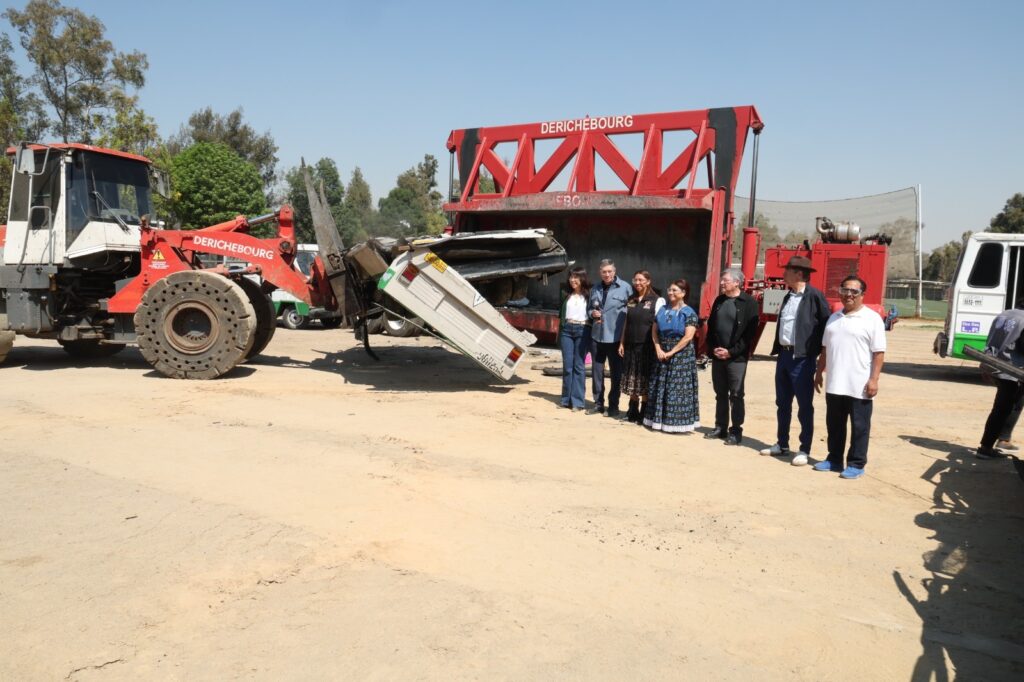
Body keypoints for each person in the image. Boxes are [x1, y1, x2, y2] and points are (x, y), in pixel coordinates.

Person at [812, 275, 887, 479]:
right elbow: (825, 349)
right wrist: (819, 373)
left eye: (854, 292)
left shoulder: (872, 319)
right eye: (845, 290)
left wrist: (874, 380)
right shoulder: (834, 318)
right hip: (835, 383)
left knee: (860, 426)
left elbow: (878, 353)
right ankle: (834, 459)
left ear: (862, 295)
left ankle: (856, 463)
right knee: (834, 425)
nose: (849, 295)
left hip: (859, 385)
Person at [759, 255, 831, 466]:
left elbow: (826, 328)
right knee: (782, 403)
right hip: (783, 356)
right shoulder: (787, 297)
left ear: (799, 273)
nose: (783, 273)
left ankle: (804, 449)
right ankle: (782, 444)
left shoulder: (815, 297)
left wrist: (819, 358)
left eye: (787, 270)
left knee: (804, 405)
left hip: (802, 359)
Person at [704, 268, 760, 445]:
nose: (721, 283)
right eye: (722, 280)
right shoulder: (719, 301)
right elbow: (711, 328)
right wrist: (713, 349)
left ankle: (735, 431)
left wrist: (731, 351)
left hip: (736, 358)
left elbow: (749, 334)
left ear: (737, 282)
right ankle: (720, 426)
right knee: (720, 393)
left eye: (725, 280)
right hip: (718, 356)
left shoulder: (748, 302)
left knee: (736, 394)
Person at [644, 279, 700, 433]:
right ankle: (657, 421)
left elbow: (688, 337)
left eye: (675, 290)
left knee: (677, 389)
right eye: (670, 289)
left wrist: (671, 352)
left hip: (681, 355)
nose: (671, 293)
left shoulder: (689, 312)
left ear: (683, 293)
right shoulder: (662, 309)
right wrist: (658, 348)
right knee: (659, 385)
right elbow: (654, 330)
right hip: (662, 351)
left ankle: (676, 423)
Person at [975, 303, 1024, 459]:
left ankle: (1003, 439)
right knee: (1002, 408)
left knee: (1016, 403)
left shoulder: (1006, 314)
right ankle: (985, 447)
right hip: (1011, 369)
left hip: (992, 362)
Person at [618, 270, 664, 424]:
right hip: (630, 344)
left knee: (644, 378)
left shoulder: (657, 300)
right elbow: (626, 322)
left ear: (648, 281)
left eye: (641, 280)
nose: (638, 283)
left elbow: (657, 325)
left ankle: (644, 411)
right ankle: (632, 409)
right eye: (635, 280)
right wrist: (622, 342)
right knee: (631, 377)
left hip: (646, 346)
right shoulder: (631, 299)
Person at [589, 259, 633, 417]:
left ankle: (613, 405)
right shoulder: (595, 288)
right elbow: (589, 309)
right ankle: (598, 404)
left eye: (609, 271)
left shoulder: (626, 288)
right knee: (597, 373)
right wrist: (592, 314)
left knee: (616, 374)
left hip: (615, 338)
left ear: (614, 272)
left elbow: (632, 312)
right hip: (597, 336)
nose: (607, 274)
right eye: (604, 272)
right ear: (600, 272)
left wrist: (625, 337)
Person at [559, 267, 592, 411]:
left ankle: (578, 402)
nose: (573, 280)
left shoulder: (589, 295)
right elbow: (561, 314)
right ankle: (565, 400)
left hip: (583, 330)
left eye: (576, 277)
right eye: (571, 277)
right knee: (567, 366)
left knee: (579, 366)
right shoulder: (566, 294)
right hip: (567, 330)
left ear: (582, 279)